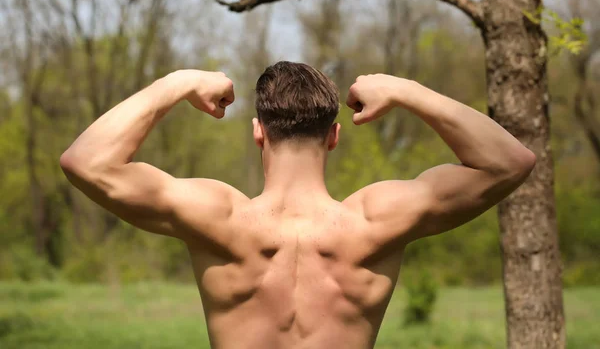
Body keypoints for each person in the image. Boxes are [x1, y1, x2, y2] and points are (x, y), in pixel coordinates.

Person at [60, 61, 536, 349]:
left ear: (257, 131)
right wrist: (404, 90)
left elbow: (85, 161)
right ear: (334, 135)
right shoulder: (374, 222)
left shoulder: (220, 219)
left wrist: (177, 83)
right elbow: (509, 162)